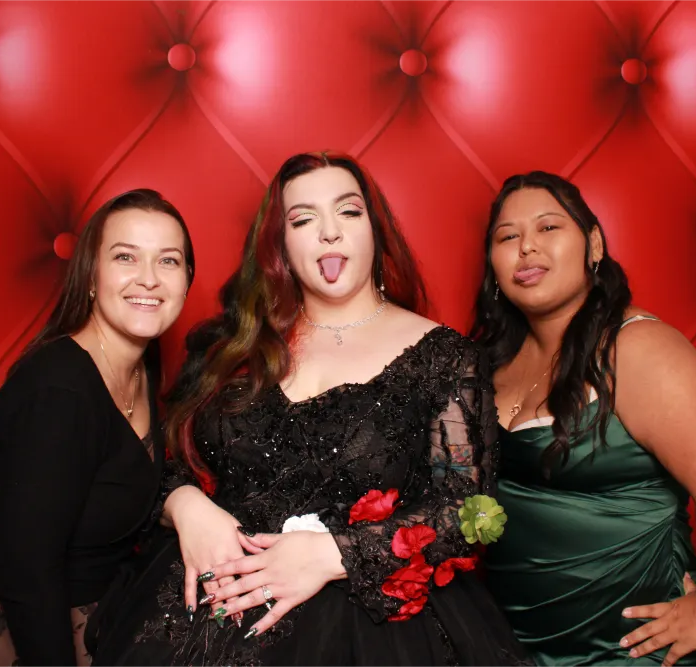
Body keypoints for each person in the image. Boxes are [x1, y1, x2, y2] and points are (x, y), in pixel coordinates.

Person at [85, 151, 534, 667]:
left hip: (373, 631)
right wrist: (186, 507)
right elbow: (163, 461)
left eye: (348, 211)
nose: (329, 232)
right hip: (212, 608)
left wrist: (336, 553)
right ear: (280, 245)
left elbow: (467, 510)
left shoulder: (446, 357)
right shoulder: (229, 346)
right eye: (303, 219)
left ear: (375, 229)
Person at [469, 171, 696, 666]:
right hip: (513, 643)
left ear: (594, 245)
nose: (526, 248)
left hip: (624, 648)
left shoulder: (638, 348)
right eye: (508, 237)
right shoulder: (492, 362)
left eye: (548, 228)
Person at [0, 188, 197, 667]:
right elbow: (28, 574)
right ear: (91, 274)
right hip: (14, 638)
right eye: (126, 257)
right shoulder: (59, 391)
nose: (149, 279)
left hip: (94, 623)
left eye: (168, 261)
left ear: (187, 279)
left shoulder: (140, 364)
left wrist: (189, 509)